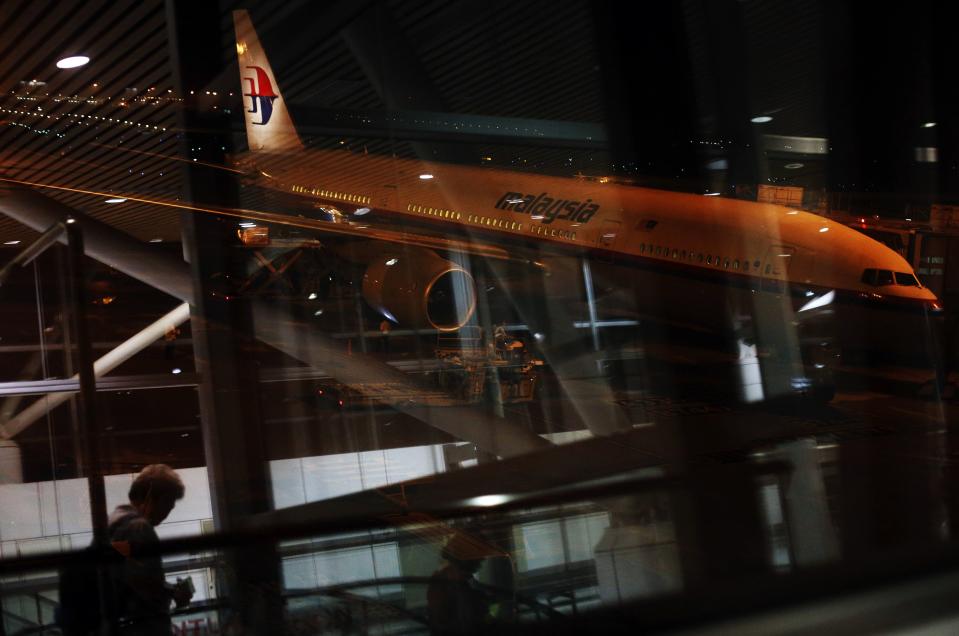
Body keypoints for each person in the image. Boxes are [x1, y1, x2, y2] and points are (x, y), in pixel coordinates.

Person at [109, 464, 193, 635]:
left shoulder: (115, 522)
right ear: (150, 496)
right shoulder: (140, 529)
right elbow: (145, 588)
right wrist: (175, 594)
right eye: (167, 503)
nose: (169, 511)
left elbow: (132, 573)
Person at [427, 532, 491, 635]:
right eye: (479, 558)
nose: (481, 562)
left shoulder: (466, 581)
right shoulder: (442, 583)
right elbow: (444, 622)